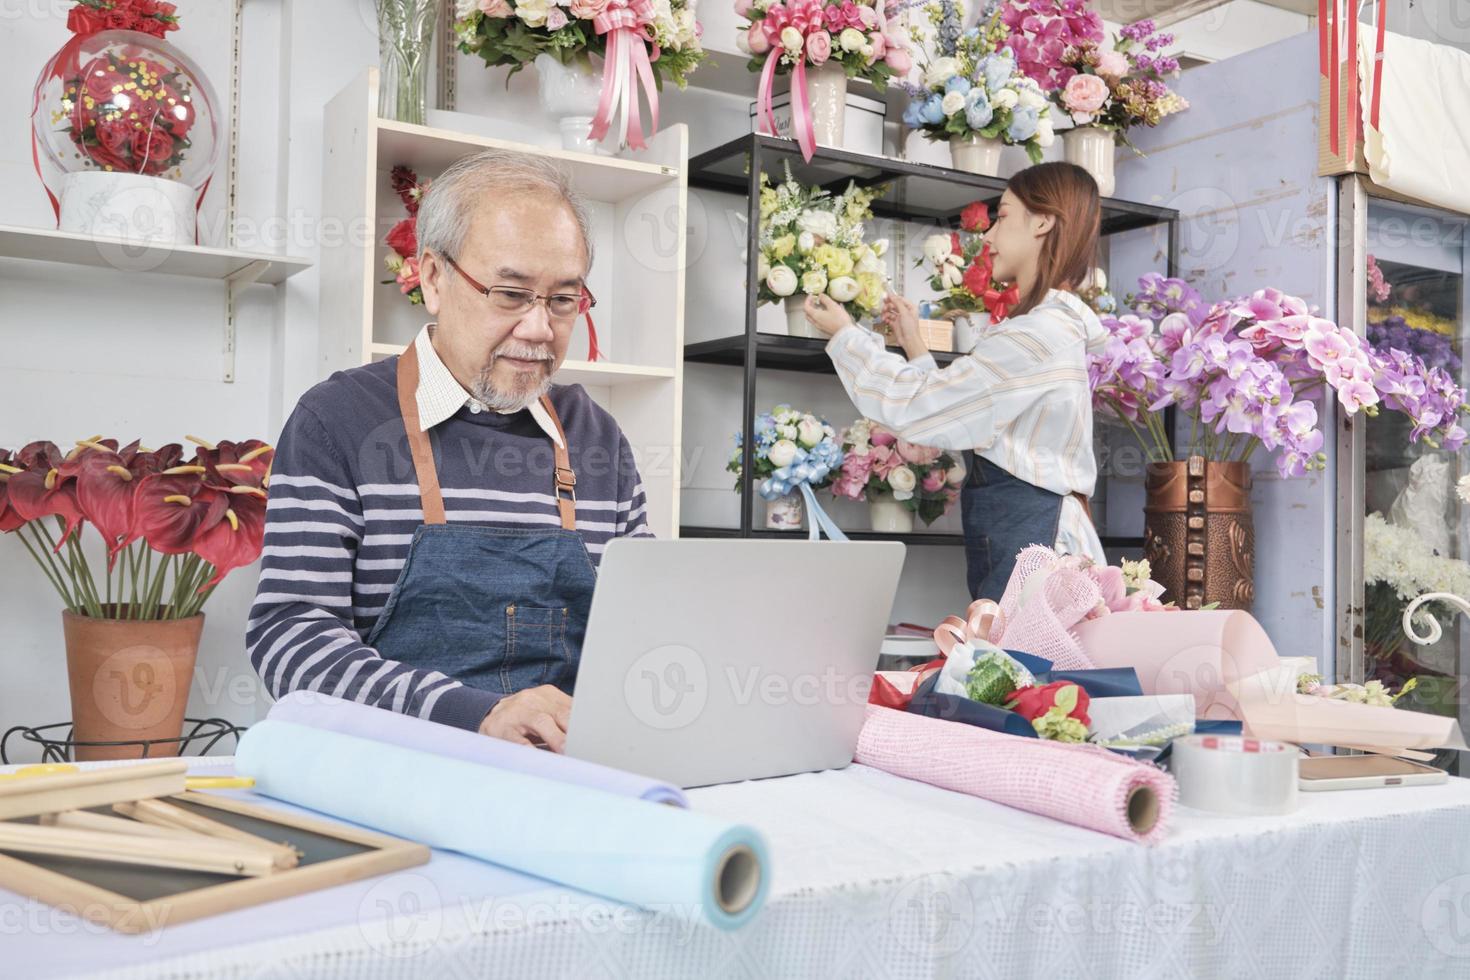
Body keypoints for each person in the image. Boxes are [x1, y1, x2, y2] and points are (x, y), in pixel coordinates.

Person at [247, 150, 654, 751]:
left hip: (565, 774)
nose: (541, 329)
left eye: (563, 300)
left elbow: (639, 631)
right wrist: (475, 716)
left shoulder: (596, 438)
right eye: (511, 294)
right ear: (434, 278)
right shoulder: (337, 421)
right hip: (391, 772)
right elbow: (289, 637)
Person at [805, 161, 1109, 600]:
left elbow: (921, 408)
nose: (988, 237)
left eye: (1002, 217)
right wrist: (914, 345)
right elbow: (969, 414)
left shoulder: (1036, 336)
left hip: (1030, 537)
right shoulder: (1052, 331)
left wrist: (846, 336)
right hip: (1031, 529)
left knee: (1019, 666)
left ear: (1042, 222)